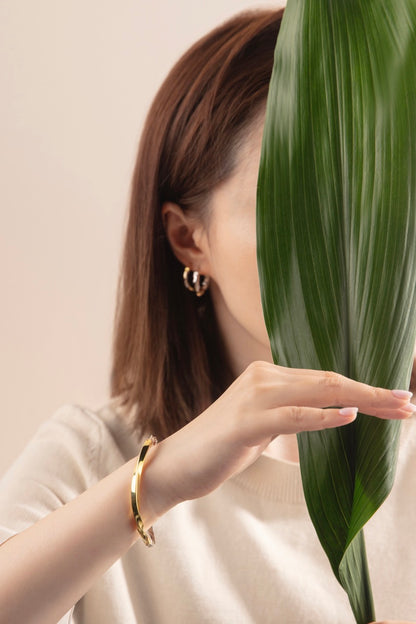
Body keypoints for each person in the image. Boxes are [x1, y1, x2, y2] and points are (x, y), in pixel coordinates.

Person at [1, 8, 415, 624]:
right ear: (189, 239)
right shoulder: (94, 459)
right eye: (295, 203)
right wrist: (160, 481)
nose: (350, 241)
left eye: (382, 196)